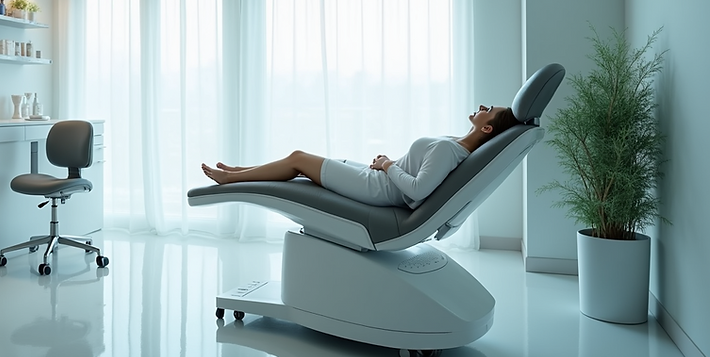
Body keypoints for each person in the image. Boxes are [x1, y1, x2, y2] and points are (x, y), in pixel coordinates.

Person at [201, 105, 521, 208]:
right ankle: (240, 170)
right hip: (378, 179)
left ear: (489, 129)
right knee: (300, 167)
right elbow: (416, 170)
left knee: (298, 158)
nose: (481, 108)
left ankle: (231, 178)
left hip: (377, 189)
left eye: (487, 110)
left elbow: (418, 191)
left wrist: (387, 165)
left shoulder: (450, 150)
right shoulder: (453, 145)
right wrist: (389, 163)